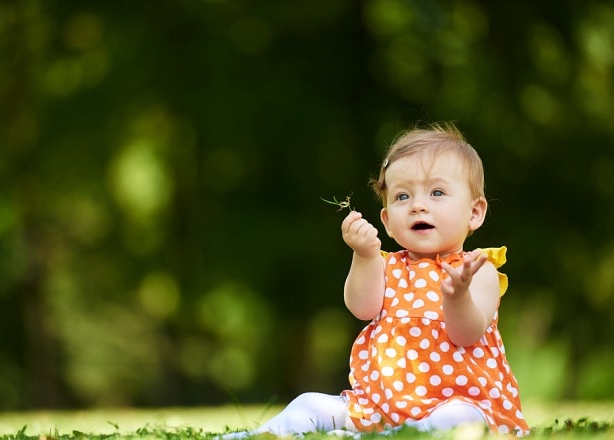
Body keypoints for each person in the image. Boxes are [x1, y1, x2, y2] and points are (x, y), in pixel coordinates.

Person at [221, 123, 529, 438]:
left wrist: (457, 296)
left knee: (461, 419)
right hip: (380, 403)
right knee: (309, 404)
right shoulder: (386, 266)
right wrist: (364, 255)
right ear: (387, 223)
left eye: (437, 192)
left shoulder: (478, 269)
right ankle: (256, 436)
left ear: (474, 213)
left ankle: (385, 435)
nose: (418, 205)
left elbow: (466, 334)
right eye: (402, 196)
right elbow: (362, 308)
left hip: (457, 399)